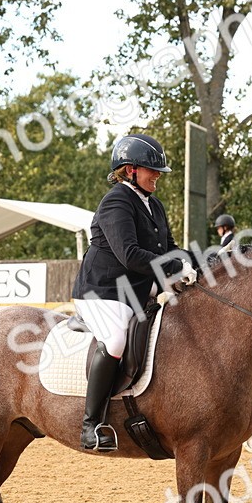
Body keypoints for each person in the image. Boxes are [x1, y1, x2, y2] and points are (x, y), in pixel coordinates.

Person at [71, 134, 197, 451]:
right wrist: (173, 268)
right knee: (114, 341)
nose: (157, 176)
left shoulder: (153, 204)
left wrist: (191, 259)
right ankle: (91, 424)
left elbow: (168, 249)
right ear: (130, 171)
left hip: (138, 292)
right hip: (102, 291)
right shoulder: (116, 201)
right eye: (151, 170)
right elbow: (129, 254)